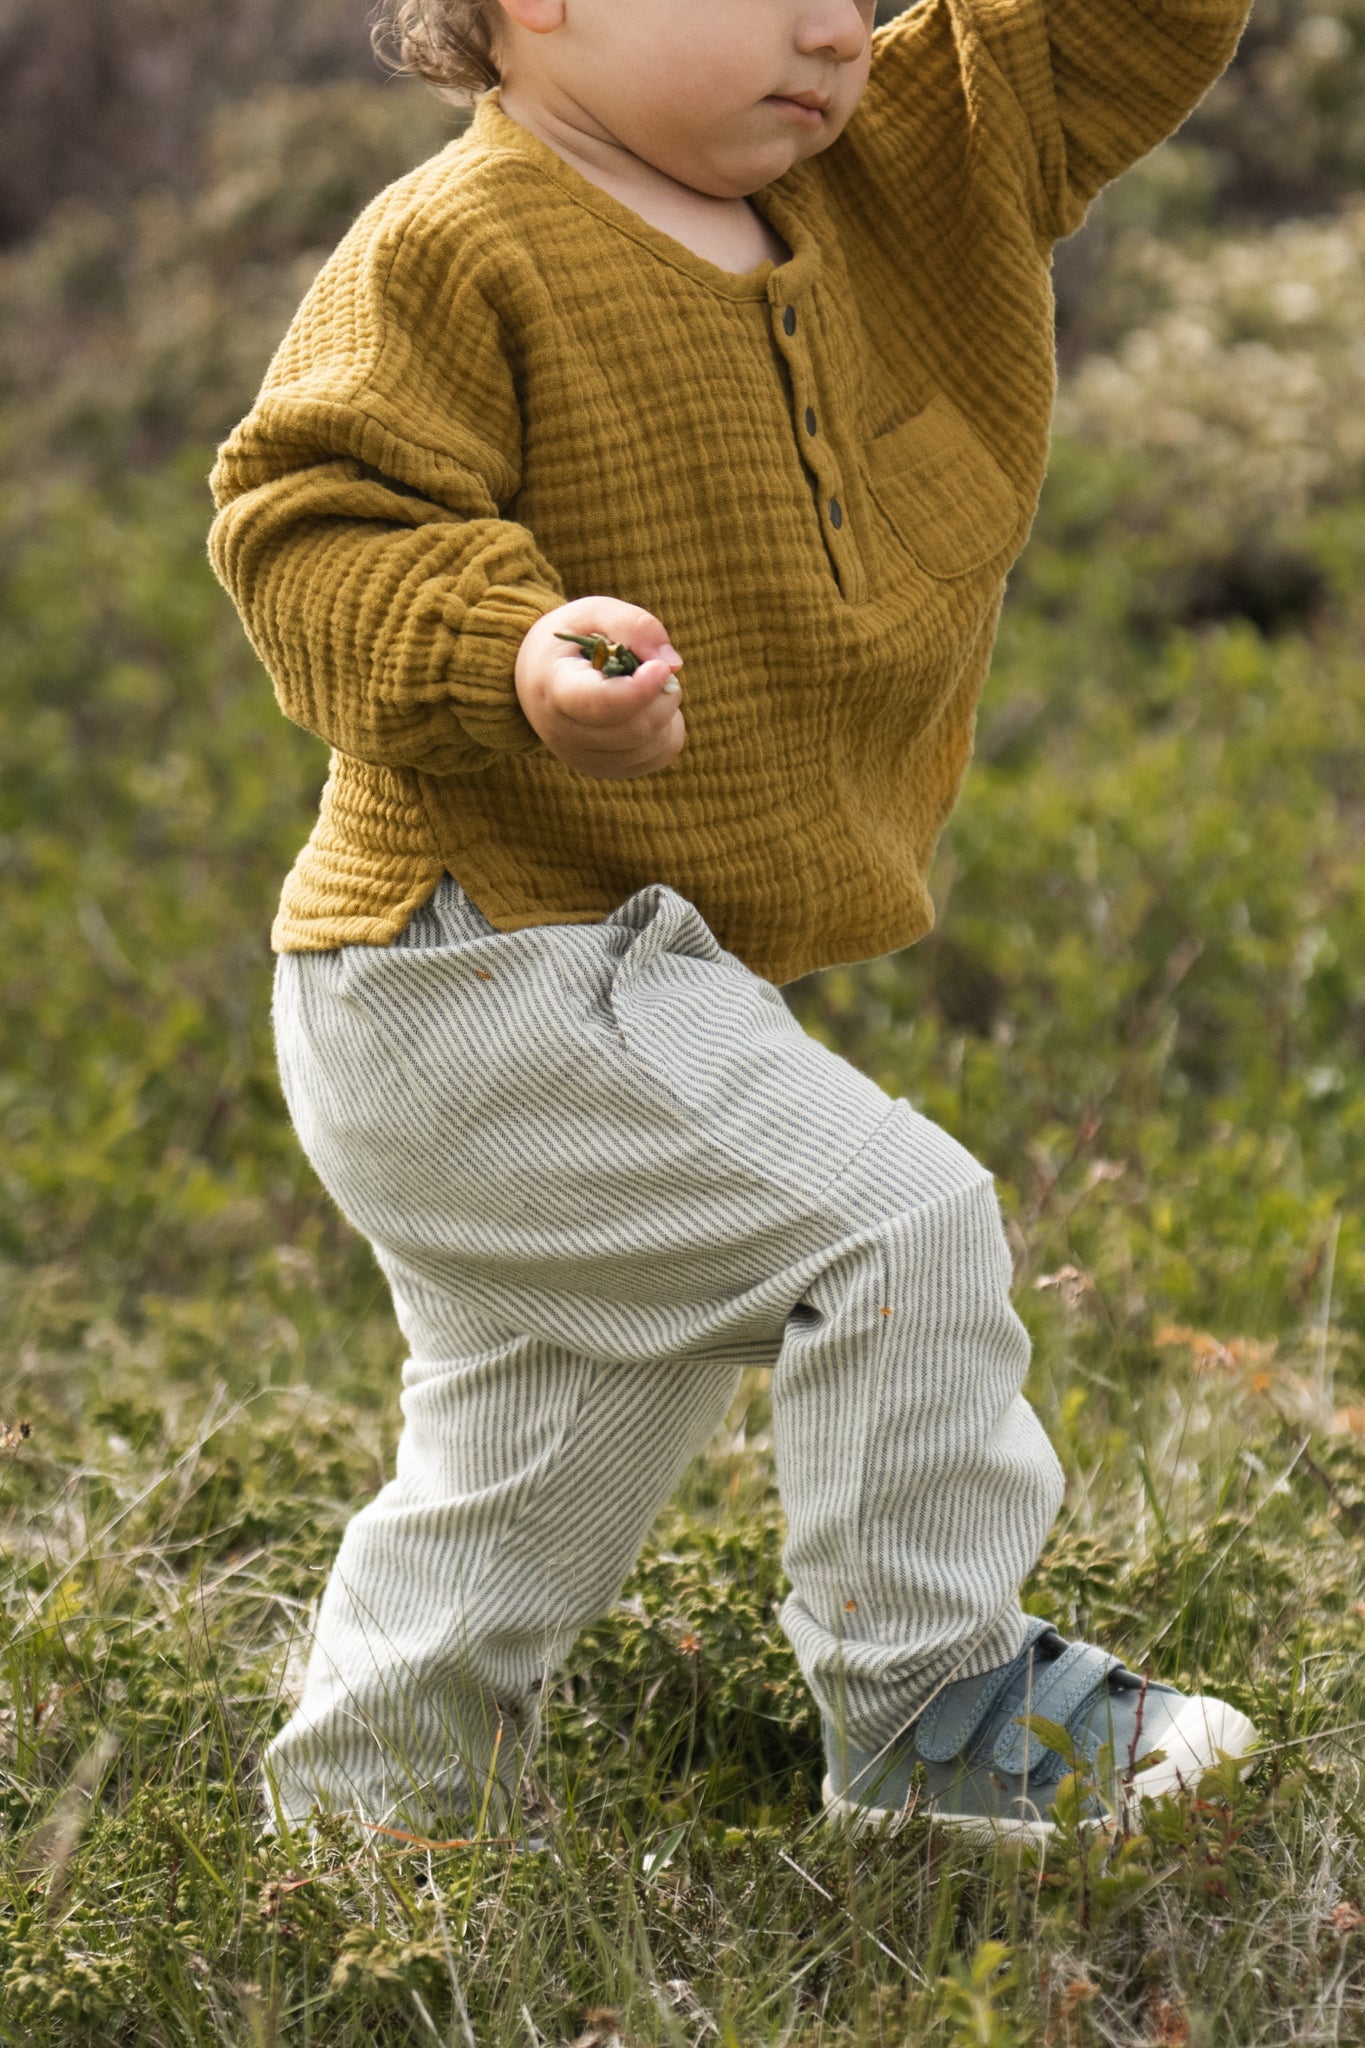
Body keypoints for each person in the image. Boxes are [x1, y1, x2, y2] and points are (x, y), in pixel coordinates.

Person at [209, 0, 1258, 1841]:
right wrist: (502, 646)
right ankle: (937, 1708)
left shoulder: (904, 157)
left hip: (584, 978)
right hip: (477, 965)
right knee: (898, 1229)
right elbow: (308, 520)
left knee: (527, 1472)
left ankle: (360, 1846)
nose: (833, 26)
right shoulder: (456, 247)